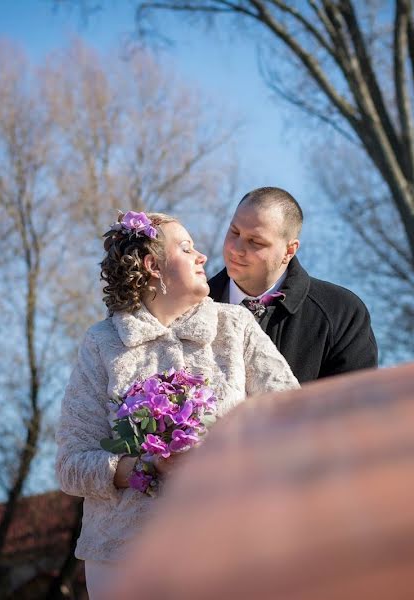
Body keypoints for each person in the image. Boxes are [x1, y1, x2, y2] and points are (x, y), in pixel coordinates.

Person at [55, 211, 299, 599]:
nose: (203, 257)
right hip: (123, 560)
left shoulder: (235, 326)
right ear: (154, 266)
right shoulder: (102, 344)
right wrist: (145, 467)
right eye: (187, 248)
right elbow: (71, 466)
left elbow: (293, 417)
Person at [208, 187, 378, 383]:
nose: (236, 249)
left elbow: (353, 404)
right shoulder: (187, 308)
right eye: (234, 232)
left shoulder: (341, 313)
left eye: (255, 242)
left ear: (289, 251)